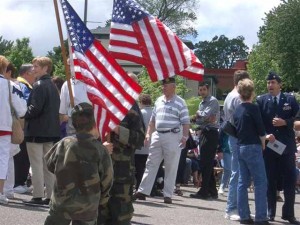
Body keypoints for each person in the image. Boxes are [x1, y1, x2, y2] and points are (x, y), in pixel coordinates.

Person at [44, 102, 113, 225]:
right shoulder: (100, 149)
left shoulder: (64, 143)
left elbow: (49, 164)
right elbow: (107, 179)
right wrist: (102, 199)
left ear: (73, 123)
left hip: (61, 201)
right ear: (95, 124)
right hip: (88, 205)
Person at [98, 73, 145, 225]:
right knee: (99, 212)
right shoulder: (101, 102)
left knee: (120, 213)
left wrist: (118, 130)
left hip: (122, 172)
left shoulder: (132, 108)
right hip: (100, 168)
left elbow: (139, 140)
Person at [134, 77, 190, 204]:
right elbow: (152, 120)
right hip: (157, 135)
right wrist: (148, 134)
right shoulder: (159, 100)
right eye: (163, 86)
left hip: (172, 135)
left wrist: (185, 137)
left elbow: (186, 122)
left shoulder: (180, 102)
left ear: (173, 87)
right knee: (151, 163)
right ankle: (143, 190)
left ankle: (168, 194)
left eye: (166, 86)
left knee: (171, 165)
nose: (163, 88)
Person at [256, 72, 300, 224]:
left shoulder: (290, 99)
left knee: (290, 180)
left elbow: (298, 119)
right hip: (269, 147)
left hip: (286, 147)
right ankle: (270, 212)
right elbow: (257, 122)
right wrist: (266, 135)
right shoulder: (261, 100)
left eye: (273, 82)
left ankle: (289, 214)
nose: (270, 85)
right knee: (270, 180)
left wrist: (286, 122)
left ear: (280, 84)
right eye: (268, 83)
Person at [233, 78, 273, 225]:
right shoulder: (254, 108)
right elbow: (261, 129)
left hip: (240, 146)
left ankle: (244, 215)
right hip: (253, 146)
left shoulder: (237, 110)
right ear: (252, 92)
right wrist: (263, 141)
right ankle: (261, 216)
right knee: (260, 182)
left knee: (242, 182)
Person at [23, 56, 61, 205]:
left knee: (36, 164)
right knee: (48, 165)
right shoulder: (53, 86)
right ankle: (50, 195)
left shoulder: (38, 85)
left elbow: (35, 108)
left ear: (45, 68)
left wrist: (23, 113)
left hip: (36, 131)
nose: (33, 69)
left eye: (36, 66)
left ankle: (37, 195)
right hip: (50, 131)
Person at [0, 55, 27, 205]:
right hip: (3, 126)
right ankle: (1, 191)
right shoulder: (10, 85)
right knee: (3, 159)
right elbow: (22, 110)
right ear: (4, 68)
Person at [223, 70, 250, 221]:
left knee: (239, 173)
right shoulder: (237, 98)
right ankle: (232, 208)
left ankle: (239, 208)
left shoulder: (229, 95)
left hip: (233, 136)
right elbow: (243, 121)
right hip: (238, 137)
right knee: (238, 173)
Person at [190, 82, 220, 200]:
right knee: (205, 163)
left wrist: (199, 114)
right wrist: (200, 117)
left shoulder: (213, 101)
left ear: (208, 90)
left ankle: (204, 191)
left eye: (204, 90)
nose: (202, 92)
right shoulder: (202, 103)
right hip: (204, 132)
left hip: (211, 133)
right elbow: (201, 121)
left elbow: (206, 115)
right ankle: (212, 191)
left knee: (206, 163)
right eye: (200, 90)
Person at [14, 64, 35, 194]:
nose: (35, 73)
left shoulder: (21, 84)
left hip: (20, 125)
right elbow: (27, 104)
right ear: (26, 73)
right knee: (22, 155)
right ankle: (18, 183)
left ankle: (18, 182)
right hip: (22, 125)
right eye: (33, 71)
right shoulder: (23, 86)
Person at [135, 94, 152, 191]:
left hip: (141, 146)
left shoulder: (141, 113)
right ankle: (150, 189)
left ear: (141, 102)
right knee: (150, 169)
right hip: (153, 146)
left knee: (139, 169)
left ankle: (139, 188)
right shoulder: (155, 113)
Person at [217, 129, 231, 196]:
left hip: (236, 150)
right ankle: (222, 187)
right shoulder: (225, 125)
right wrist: (219, 150)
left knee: (236, 171)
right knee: (227, 169)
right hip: (225, 150)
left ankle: (233, 189)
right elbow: (219, 138)